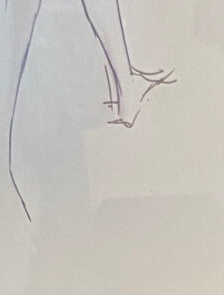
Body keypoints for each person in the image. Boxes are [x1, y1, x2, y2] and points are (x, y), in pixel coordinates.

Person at [10, 0, 173, 218]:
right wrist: (125, 83)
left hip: (59, 43)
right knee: (50, 172)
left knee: (54, 173)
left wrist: (125, 82)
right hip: (54, 43)